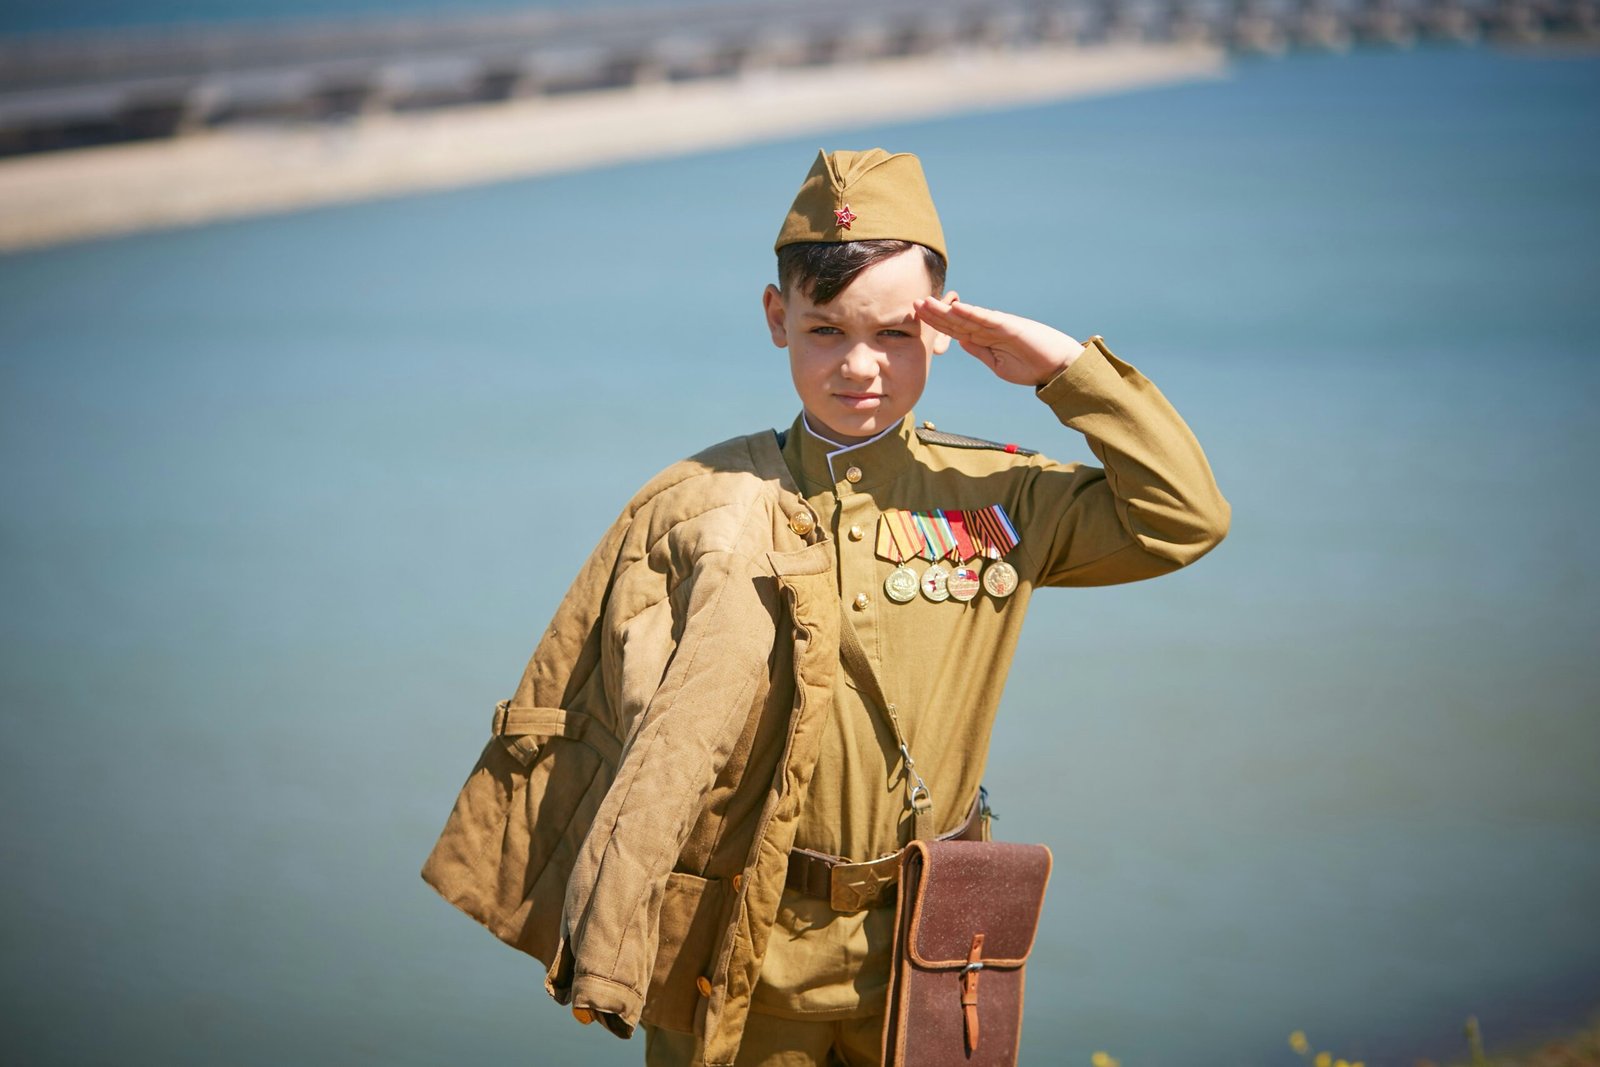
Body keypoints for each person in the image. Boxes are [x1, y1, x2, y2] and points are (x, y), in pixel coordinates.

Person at [422, 148, 1229, 1067]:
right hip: (740, 956)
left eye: (893, 331)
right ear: (778, 318)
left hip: (932, 952)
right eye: (825, 330)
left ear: (942, 329)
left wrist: (1066, 371)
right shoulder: (697, 504)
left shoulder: (1006, 499)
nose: (859, 366)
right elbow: (596, 719)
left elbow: (1184, 518)